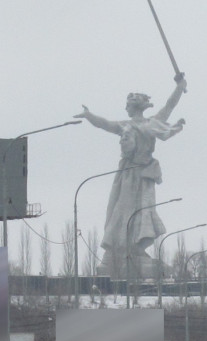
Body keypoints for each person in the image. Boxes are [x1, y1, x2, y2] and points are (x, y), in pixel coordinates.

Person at [75, 74, 187, 270]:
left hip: (143, 176)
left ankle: (134, 249)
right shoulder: (127, 125)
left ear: (134, 107)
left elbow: (169, 105)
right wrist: (90, 116)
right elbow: (104, 124)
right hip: (128, 176)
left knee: (142, 211)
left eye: (128, 104)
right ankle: (118, 250)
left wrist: (179, 88)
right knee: (122, 210)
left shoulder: (149, 123)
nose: (125, 107)